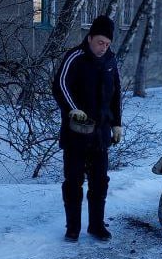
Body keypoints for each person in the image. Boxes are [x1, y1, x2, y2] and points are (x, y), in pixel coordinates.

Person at [52, 15, 123, 242]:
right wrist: (72, 108)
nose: (103, 47)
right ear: (90, 38)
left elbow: (116, 94)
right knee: (73, 182)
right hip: (76, 133)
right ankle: (73, 228)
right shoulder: (75, 57)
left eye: (107, 44)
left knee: (100, 182)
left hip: (100, 134)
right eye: (100, 42)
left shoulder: (110, 61)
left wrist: (117, 123)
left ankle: (96, 226)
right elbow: (60, 85)